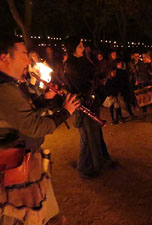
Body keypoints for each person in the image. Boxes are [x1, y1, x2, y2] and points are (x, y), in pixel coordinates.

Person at [0, 35, 79, 224]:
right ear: (4, 58)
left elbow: (25, 112)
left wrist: (45, 98)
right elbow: (35, 127)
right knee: (20, 215)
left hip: (21, 160)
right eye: (23, 54)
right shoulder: (4, 89)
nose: (28, 60)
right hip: (13, 166)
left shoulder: (10, 86)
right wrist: (65, 112)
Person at [64, 36, 116, 179]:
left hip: (92, 102)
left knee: (94, 134)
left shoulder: (84, 60)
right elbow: (81, 84)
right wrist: (94, 81)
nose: (83, 48)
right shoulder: (70, 65)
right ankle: (84, 168)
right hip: (82, 104)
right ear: (72, 48)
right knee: (87, 137)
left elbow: (93, 75)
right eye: (79, 46)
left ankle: (100, 161)